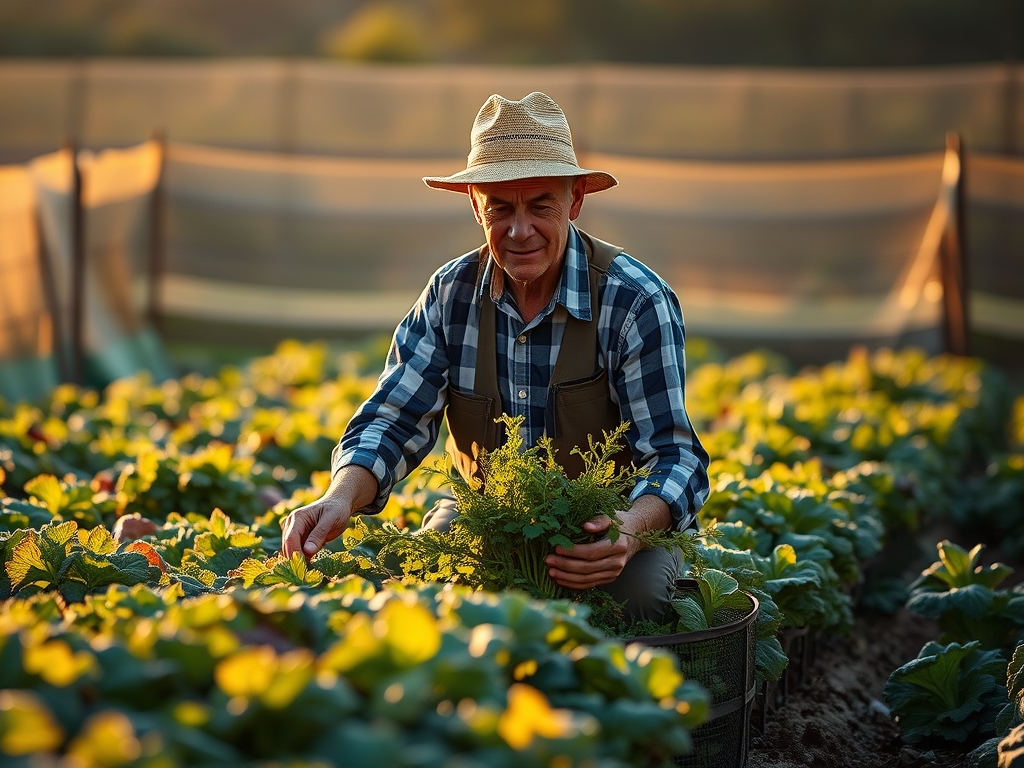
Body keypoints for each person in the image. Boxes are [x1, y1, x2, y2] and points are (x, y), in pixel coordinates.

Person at [280, 91, 709, 621]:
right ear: (475, 205)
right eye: (500, 208)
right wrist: (340, 498)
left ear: (574, 202)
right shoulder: (450, 294)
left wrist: (628, 530)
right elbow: (393, 420)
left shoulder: (634, 300)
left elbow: (675, 456)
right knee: (429, 590)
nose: (520, 230)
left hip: (608, 527)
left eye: (541, 207)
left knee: (634, 602)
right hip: (485, 516)